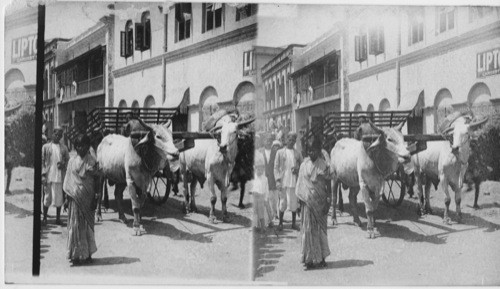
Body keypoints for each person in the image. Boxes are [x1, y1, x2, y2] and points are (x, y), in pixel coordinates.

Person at [296, 136, 331, 270]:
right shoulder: (303, 166)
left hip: (320, 203)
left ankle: (321, 258)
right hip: (307, 204)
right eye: (309, 151)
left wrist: (329, 202)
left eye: (314, 150)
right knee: (307, 230)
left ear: (318, 150)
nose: (311, 153)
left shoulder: (323, 165)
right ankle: (309, 259)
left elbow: (328, 185)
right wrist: (300, 204)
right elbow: (300, 184)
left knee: (320, 231)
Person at [63, 134, 99, 265]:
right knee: (75, 225)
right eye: (77, 145)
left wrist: (96, 197)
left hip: (88, 198)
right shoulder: (72, 161)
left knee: (87, 227)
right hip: (74, 199)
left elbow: (97, 180)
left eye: (83, 145)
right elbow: (68, 180)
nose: (80, 148)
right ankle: (75, 254)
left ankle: (87, 253)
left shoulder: (92, 161)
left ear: (88, 146)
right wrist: (67, 199)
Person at [274, 132, 302, 231]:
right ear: (286, 140)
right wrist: (277, 180)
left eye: (293, 140)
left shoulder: (297, 153)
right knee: (282, 203)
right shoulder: (280, 152)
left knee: (293, 203)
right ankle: (280, 223)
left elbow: (302, 166)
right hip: (283, 181)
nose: (291, 142)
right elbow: (276, 167)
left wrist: (297, 169)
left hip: (293, 181)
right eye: (289, 140)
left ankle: (294, 224)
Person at [42, 127, 70, 225]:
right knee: (47, 198)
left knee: (59, 199)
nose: (58, 137)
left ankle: (58, 219)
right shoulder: (46, 147)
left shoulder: (64, 148)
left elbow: (68, 160)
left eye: (60, 135)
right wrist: (43, 175)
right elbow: (42, 162)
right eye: (56, 134)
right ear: (53, 134)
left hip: (59, 176)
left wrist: (63, 164)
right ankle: (45, 217)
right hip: (49, 176)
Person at [250, 150, 273, 232]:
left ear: (263, 169)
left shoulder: (265, 179)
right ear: (255, 169)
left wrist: (266, 198)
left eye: (261, 169)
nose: (259, 171)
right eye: (257, 169)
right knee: (254, 213)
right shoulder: (254, 177)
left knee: (261, 214)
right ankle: (254, 226)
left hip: (261, 197)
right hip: (255, 197)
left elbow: (266, 190)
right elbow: (252, 187)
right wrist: (252, 192)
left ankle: (263, 227)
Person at [260, 133, 279, 221]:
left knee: (274, 196)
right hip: (263, 177)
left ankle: (275, 213)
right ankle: (267, 215)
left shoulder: (275, 152)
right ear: (264, 141)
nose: (268, 142)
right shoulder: (260, 152)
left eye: (270, 141)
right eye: (267, 140)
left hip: (273, 177)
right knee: (265, 197)